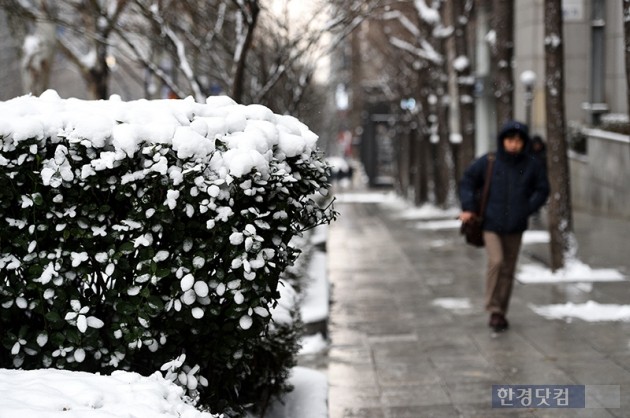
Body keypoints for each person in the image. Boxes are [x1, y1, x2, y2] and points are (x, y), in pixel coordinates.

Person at [459, 120, 549, 332]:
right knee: (497, 261)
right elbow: (468, 181)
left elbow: (542, 189)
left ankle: (500, 312)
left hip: (516, 225)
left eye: (518, 141)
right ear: (503, 141)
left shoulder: (531, 165)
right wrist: (469, 207)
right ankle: (492, 307)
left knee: (508, 269)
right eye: (510, 140)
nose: (514, 145)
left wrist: (527, 208)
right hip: (490, 222)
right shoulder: (490, 161)